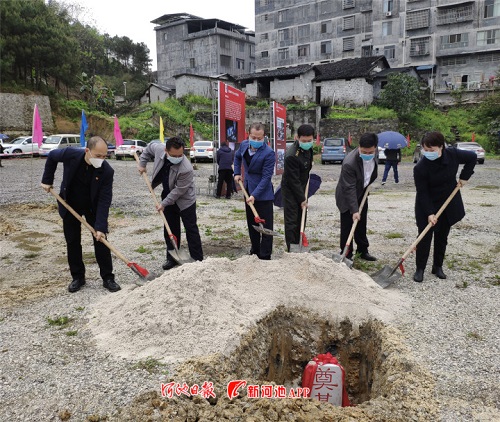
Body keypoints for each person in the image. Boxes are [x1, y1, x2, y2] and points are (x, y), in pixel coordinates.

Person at [40, 136, 120, 293]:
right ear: (87, 151)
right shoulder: (71, 154)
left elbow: (105, 200)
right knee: (72, 241)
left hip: (93, 207)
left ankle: (108, 277)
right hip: (70, 204)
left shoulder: (107, 171)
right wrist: (47, 180)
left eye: (105, 156)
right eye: (98, 156)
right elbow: (52, 157)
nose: (102, 159)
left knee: (101, 240)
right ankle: (78, 277)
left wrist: (100, 227)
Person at [413, 131, 476, 283]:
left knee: (442, 236)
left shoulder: (452, 154)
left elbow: (472, 157)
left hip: (448, 201)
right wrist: (429, 213)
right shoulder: (420, 168)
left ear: (441, 147)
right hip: (426, 203)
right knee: (424, 236)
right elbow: (422, 192)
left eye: (431, 150)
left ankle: (438, 266)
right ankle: (420, 268)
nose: (428, 153)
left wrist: (464, 177)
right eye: (425, 150)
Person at [138, 137, 203, 270]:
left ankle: (198, 259)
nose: (178, 158)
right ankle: (171, 258)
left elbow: (179, 190)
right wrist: (142, 164)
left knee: (191, 228)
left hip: (185, 200)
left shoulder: (186, 168)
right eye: (174, 155)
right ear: (166, 151)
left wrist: (164, 203)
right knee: (170, 228)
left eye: (181, 155)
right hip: (167, 193)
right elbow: (149, 147)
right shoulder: (158, 149)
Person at [234, 122, 275, 260]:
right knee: (252, 224)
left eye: (259, 138)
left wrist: (254, 195)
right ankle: (255, 250)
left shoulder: (269, 153)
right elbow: (237, 156)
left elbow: (266, 177)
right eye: (254, 137)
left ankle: (265, 255)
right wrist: (237, 173)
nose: (256, 141)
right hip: (248, 189)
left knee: (266, 227)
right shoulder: (244, 145)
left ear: (264, 136)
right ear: (249, 135)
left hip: (263, 194)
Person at [335, 132, 379, 261]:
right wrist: (354, 210)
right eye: (364, 152)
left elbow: (371, 174)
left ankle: (363, 250)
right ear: (359, 147)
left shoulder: (375, 154)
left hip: (362, 193)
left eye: (370, 152)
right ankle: (346, 253)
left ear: (375, 148)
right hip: (346, 195)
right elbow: (349, 188)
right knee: (348, 225)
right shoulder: (349, 162)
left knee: (361, 222)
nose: (367, 154)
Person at [280, 124, 314, 251]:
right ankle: (292, 246)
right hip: (290, 189)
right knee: (292, 219)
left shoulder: (308, 149)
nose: (307, 143)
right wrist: (302, 199)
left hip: (302, 185)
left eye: (309, 141)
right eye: (304, 141)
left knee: (302, 216)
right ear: (297, 138)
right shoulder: (291, 156)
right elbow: (293, 181)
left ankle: (299, 241)